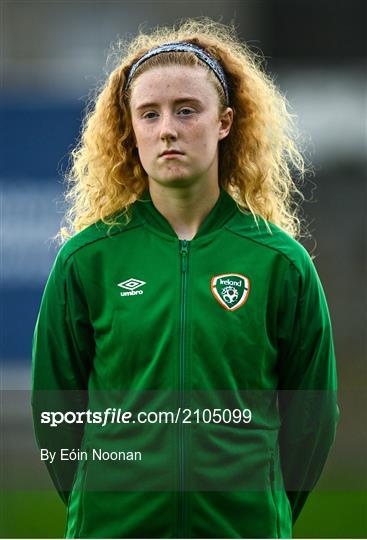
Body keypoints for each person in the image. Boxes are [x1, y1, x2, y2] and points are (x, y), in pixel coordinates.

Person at [32, 18, 339, 539]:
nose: (167, 128)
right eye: (149, 114)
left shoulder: (280, 263)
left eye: (186, 110)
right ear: (131, 131)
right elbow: (54, 409)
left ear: (224, 122)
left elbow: (311, 419)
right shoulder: (87, 260)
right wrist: (107, 495)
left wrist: (258, 504)